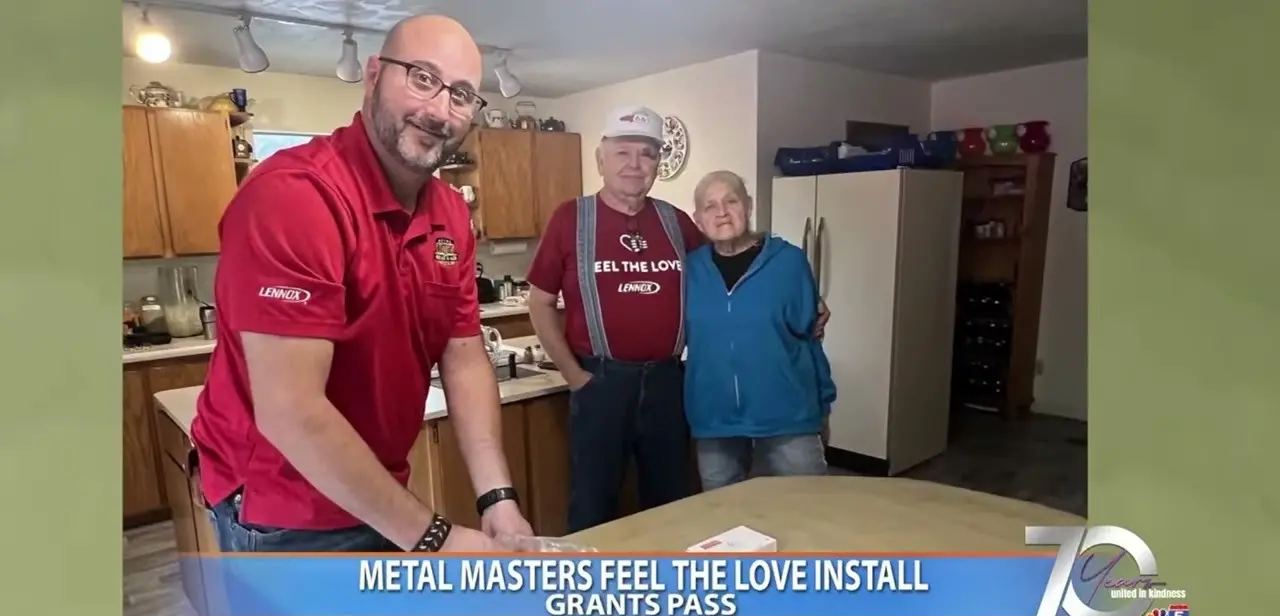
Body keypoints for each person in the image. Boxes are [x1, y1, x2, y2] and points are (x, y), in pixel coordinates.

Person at [192, 15, 533, 561]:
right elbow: (292, 411)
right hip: (283, 506)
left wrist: (498, 500)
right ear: (373, 75)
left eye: (462, 95)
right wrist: (433, 538)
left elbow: (464, 356)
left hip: (375, 484)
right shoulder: (295, 197)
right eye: (422, 78)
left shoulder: (449, 211)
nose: (439, 110)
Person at [525, 107, 830, 532]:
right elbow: (538, 302)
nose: (635, 165)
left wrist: (807, 299)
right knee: (593, 501)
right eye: (623, 153)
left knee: (671, 502)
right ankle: (587, 587)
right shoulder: (570, 219)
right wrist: (574, 376)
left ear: (657, 165)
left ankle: (668, 584)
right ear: (600, 159)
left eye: (647, 154)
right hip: (602, 382)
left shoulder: (675, 221)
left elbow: (732, 259)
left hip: (670, 384)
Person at [683, 170, 836, 490]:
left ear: (749, 206)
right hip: (715, 418)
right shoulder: (688, 270)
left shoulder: (789, 262)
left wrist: (823, 407)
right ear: (698, 220)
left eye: (731, 200)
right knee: (723, 518)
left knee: (808, 509)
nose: (721, 211)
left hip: (788, 416)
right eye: (709, 206)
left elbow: (811, 338)